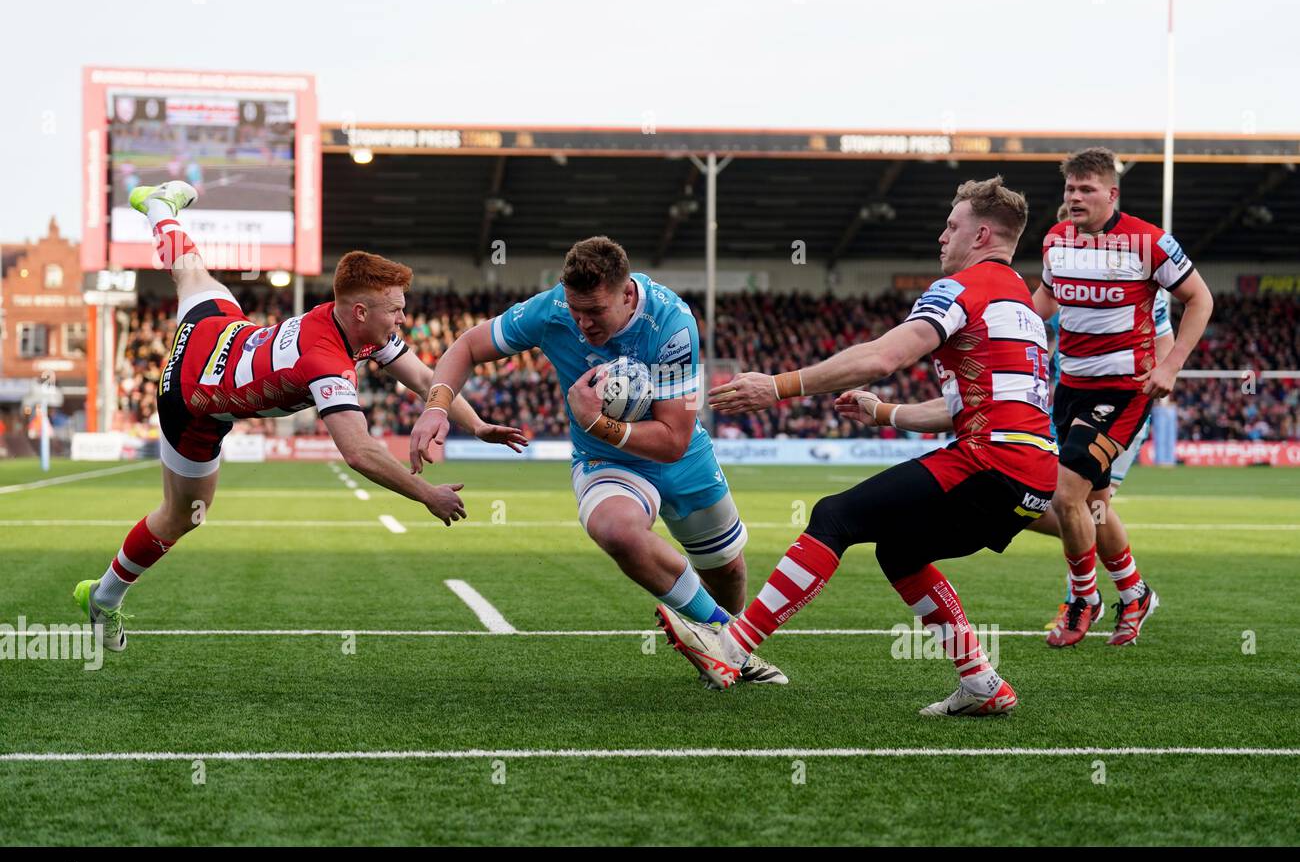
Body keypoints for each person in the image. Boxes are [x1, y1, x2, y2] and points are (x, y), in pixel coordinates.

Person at [658, 176, 1057, 716]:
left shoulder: (963, 289)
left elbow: (881, 358)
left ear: (982, 233)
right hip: (1031, 476)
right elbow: (964, 407)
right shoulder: (1024, 309)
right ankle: (983, 684)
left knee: (836, 515)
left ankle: (731, 646)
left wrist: (775, 387)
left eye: (952, 225)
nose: (942, 236)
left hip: (992, 462)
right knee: (901, 552)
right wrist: (882, 412)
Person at [74, 181, 526, 651]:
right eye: (395, 310)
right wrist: (427, 495)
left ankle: (159, 209)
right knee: (183, 515)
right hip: (191, 400)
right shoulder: (325, 360)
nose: (402, 319)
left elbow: (424, 378)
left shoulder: (357, 326)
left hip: (215, 331)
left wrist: (475, 425)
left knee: (190, 272)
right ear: (359, 311)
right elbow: (359, 452)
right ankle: (103, 599)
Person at [408, 236, 786, 685]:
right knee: (617, 532)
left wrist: (594, 422)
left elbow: (672, 441)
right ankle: (729, 643)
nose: (583, 323)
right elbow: (467, 347)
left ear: (627, 295)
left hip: (680, 455)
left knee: (727, 569)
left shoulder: (672, 323)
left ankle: (722, 647)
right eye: (576, 310)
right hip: (607, 461)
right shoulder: (551, 310)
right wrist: (435, 407)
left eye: (595, 312)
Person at [1030, 148, 1213, 647]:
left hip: (1124, 391)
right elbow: (1046, 298)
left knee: (1065, 494)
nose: (1075, 198)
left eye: (1086, 189)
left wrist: (1171, 365)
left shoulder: (1149, 241)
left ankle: (1082, 599)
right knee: (1093, 505)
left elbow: (1200, 298)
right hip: (1069, 389)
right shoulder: (1055, 240)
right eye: (1070, 189)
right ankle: (1134, 593)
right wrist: (1014, 321)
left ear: (1112, 193)